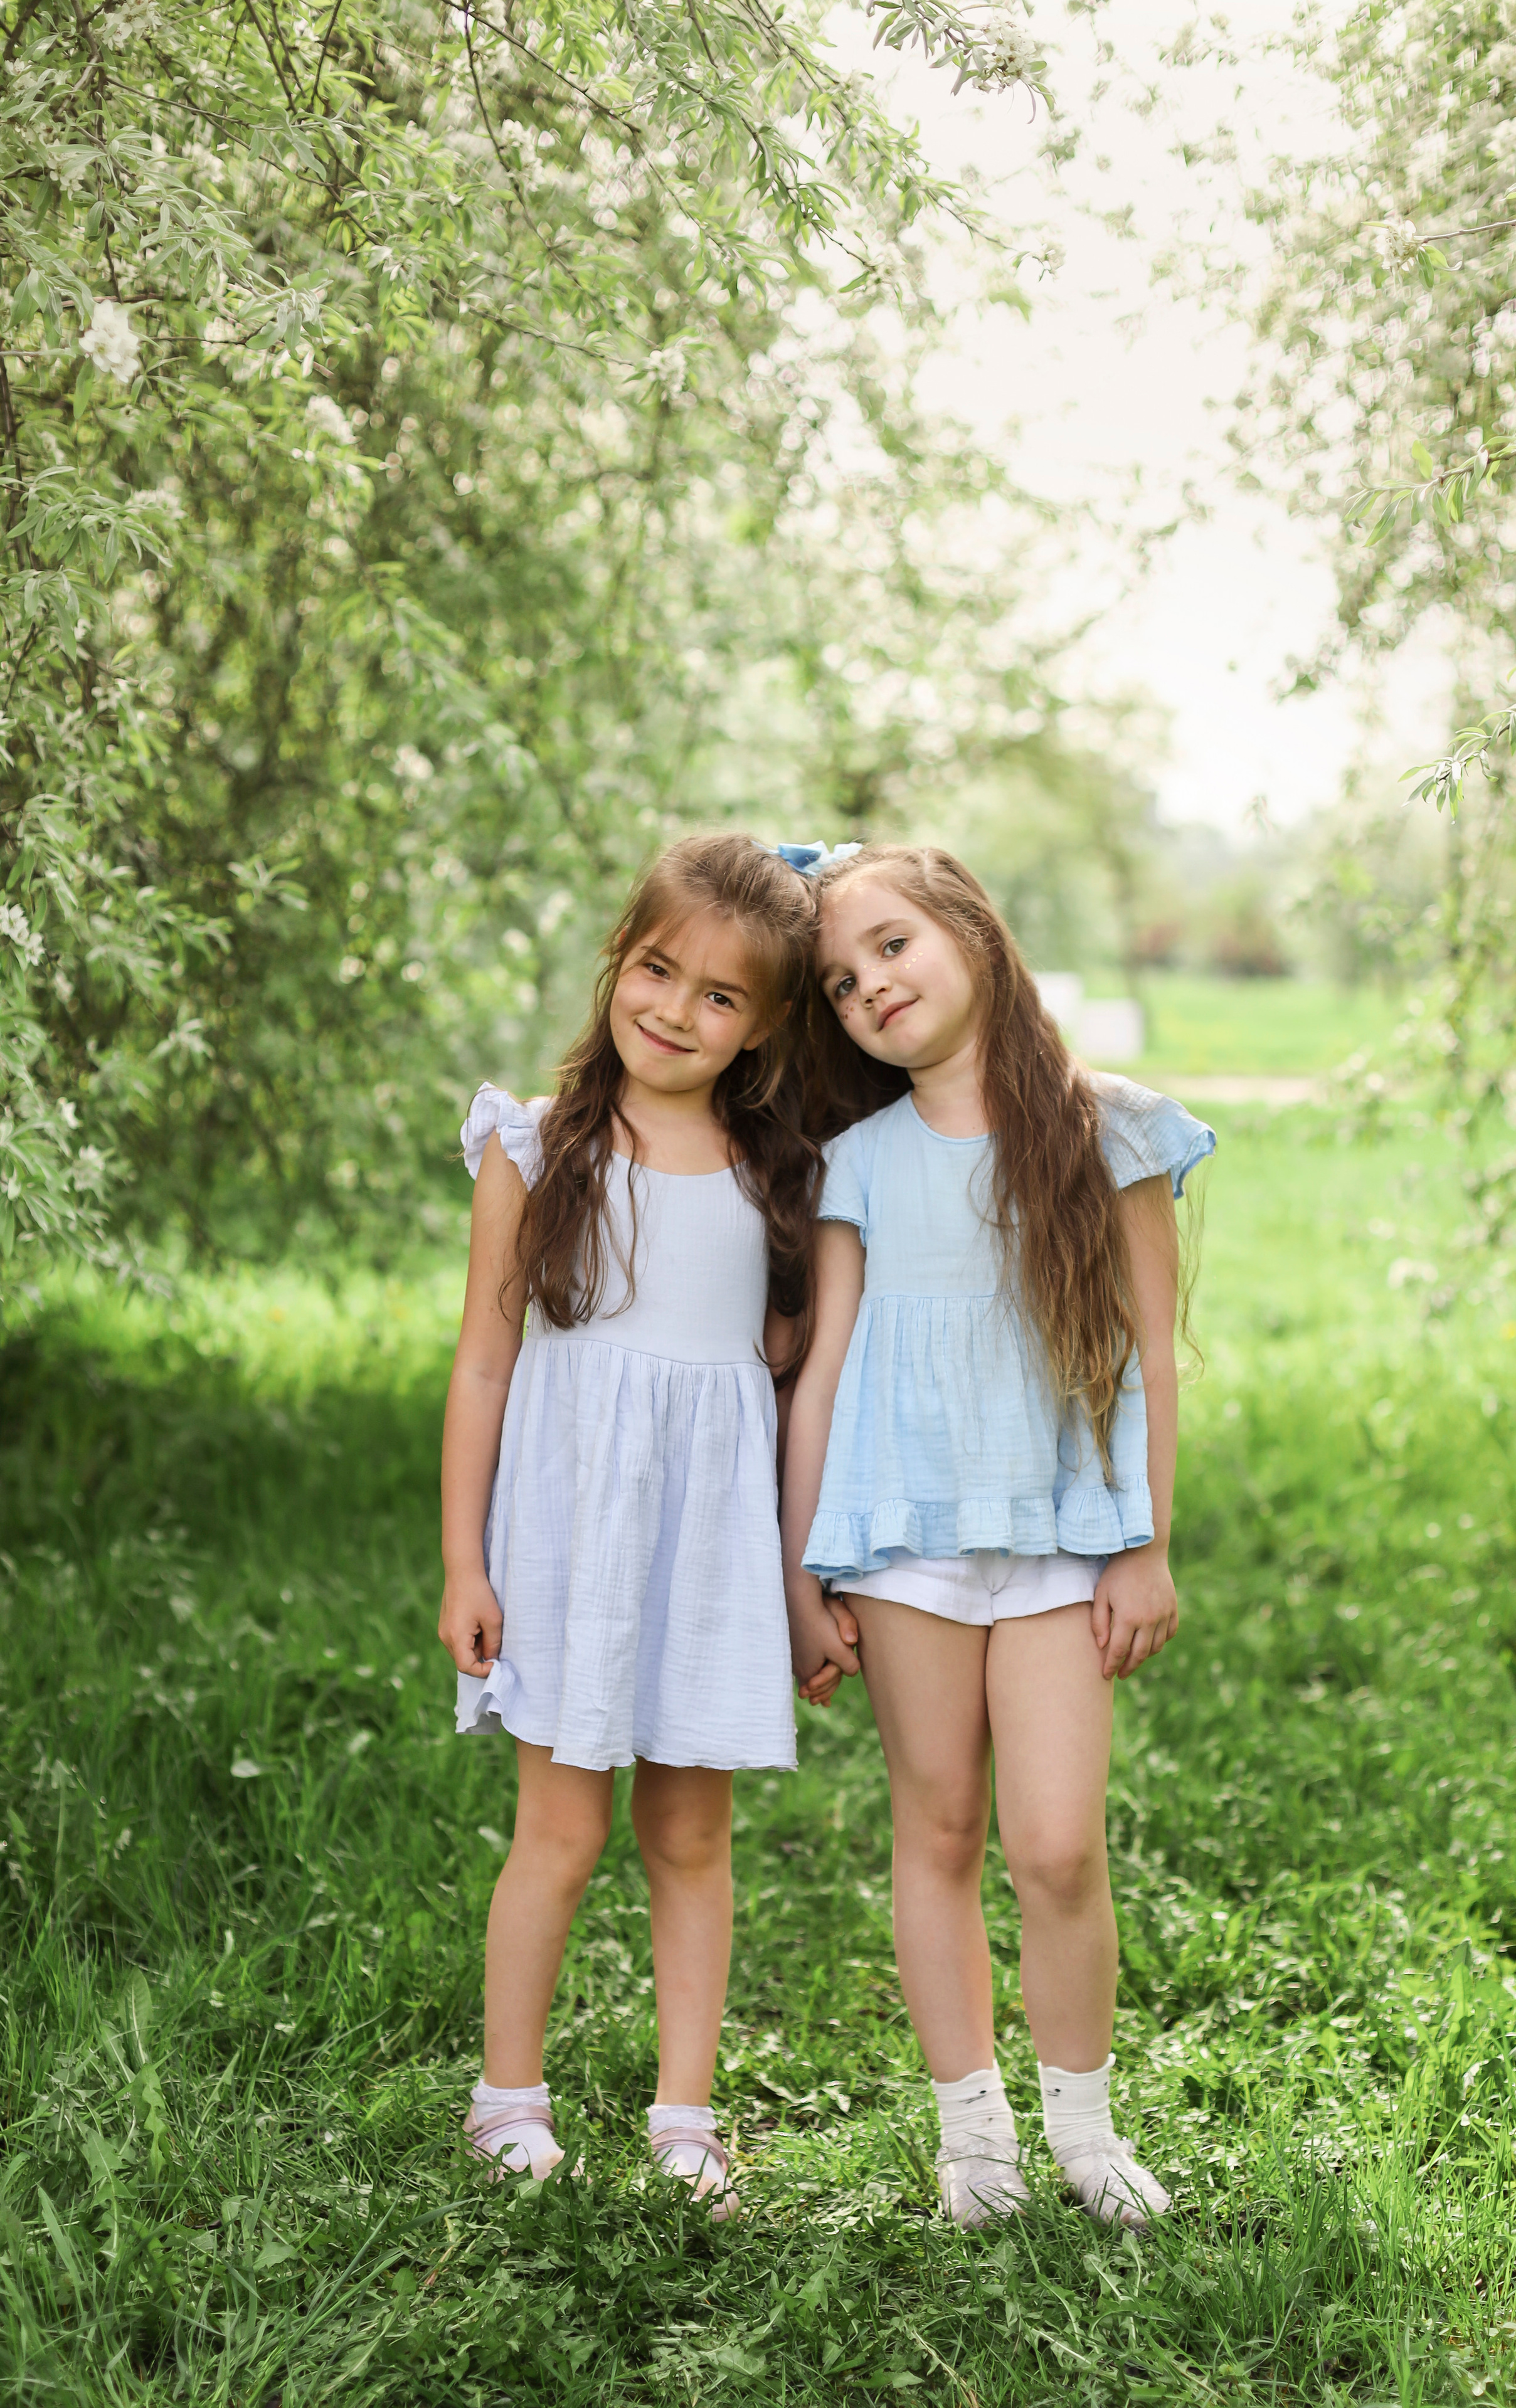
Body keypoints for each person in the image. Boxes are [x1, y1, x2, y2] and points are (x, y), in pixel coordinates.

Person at [780, 843, 1214, 2230]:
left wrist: (1141, 1545)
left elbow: (1150, 1349)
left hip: (1055, 1537)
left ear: (971, 930)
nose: (871, 989)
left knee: (1056, 1846)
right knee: (941, 1826)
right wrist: (805, 1574)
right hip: (903, 1534)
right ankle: (974, 2144)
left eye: (893, 946)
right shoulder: (858, 1164)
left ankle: (1082, 2132)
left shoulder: (1112, 1129)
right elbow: (825, 1376)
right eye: (843, 983)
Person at [438, 834, 818, 2219]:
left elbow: (781, 1387)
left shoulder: (776, 1176)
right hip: (566, 1534)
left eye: (719, 996)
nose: (673, 1010)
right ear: (619, 959)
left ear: (765, 1027)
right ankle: (507, 2100)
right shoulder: (535, 1145)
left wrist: (797, 1589)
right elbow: (483, 1365)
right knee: (560, 1829)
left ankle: (683, 2115)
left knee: (689, 1835)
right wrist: (465, 1560)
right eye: (656, 970)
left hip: (704, 1544)